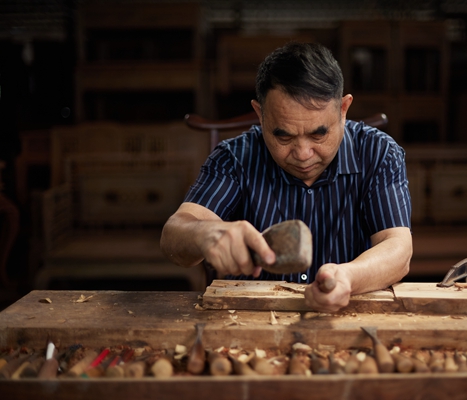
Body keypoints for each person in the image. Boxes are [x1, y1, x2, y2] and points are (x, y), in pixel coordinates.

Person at [161, 42, 412, 312]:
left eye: (319, 134)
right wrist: (204, 233)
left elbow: (397, 248)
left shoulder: (378, 153)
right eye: (284, 136)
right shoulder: (234, 158)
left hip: (344, 314)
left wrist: (348, 277)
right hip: (248, 319)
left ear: (343, 109)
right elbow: (173, 234)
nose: (303, 154)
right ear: (260, 114)